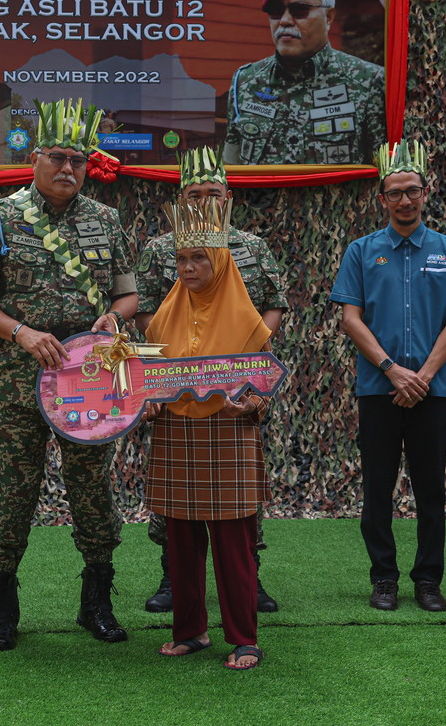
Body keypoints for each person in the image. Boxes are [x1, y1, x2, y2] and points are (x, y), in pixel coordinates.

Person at [0, 98, 137, 651]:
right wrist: (22, 333)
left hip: (89, 385)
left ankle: (97, 603)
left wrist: (115, 316)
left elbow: (129, 294)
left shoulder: (105, 220)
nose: (68, 169)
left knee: (92, 491)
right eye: (57, 158)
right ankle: (3, 609)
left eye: (78, 161)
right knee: (13, 493)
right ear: (35, 158)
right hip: (19, 382)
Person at [134, 145, 287, 614]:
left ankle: (247, 580)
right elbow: (146, 310)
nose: (204, 201)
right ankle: (173, 577)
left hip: (237, 379)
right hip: (176, 380)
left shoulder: (251, 246)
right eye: (194, 194)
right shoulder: (162, 248)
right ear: (182, 199)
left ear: (228, 195)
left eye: (213, 193)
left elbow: (273, 303)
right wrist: (175, 366)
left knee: (236, 486)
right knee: (177, 488)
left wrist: (243, 354)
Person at [329, 140, 446, 611]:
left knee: (431, 488)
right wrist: (395, 372)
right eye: (395, 193)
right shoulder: (361, 251)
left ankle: (428, 580)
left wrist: (424, 376)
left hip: (432, 392)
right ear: (382, 198)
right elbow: (351, 319)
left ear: (425, 193)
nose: (405, 201)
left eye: (412, 191)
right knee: (377, 487)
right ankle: (384, 578)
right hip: (379, 389)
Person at [145, 196, 273, 670]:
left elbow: (263, 384)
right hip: (177, 432)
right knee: (179, 537)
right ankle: (190, 631)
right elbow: (150, 381)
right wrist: (149, 404)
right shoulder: (163, 315)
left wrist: (253, 402)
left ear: (219, 260)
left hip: (228, 430)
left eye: (199, 258)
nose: (188, 267)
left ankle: (244, 637)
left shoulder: (246, 318)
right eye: (181, 259)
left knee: (233, 539)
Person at [222, 0, 386, 166]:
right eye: (275, 12)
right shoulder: (246, 82)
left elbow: (384, 174)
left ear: (329, 17)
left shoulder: (369, 82)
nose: (284, 21)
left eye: (299, 10)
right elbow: (232, 168)